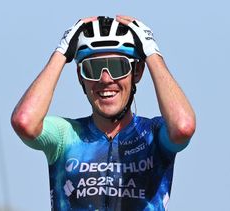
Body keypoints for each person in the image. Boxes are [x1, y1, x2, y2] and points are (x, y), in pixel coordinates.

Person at [11, 15, 196, 211]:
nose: (105, 79)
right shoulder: (66, 136)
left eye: (118, 67)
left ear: (138, 72)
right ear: (80, 77)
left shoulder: (152, 135)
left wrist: (152, 54)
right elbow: (25, 121)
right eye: (93, 68)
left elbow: (183, 126)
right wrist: (60, 53)